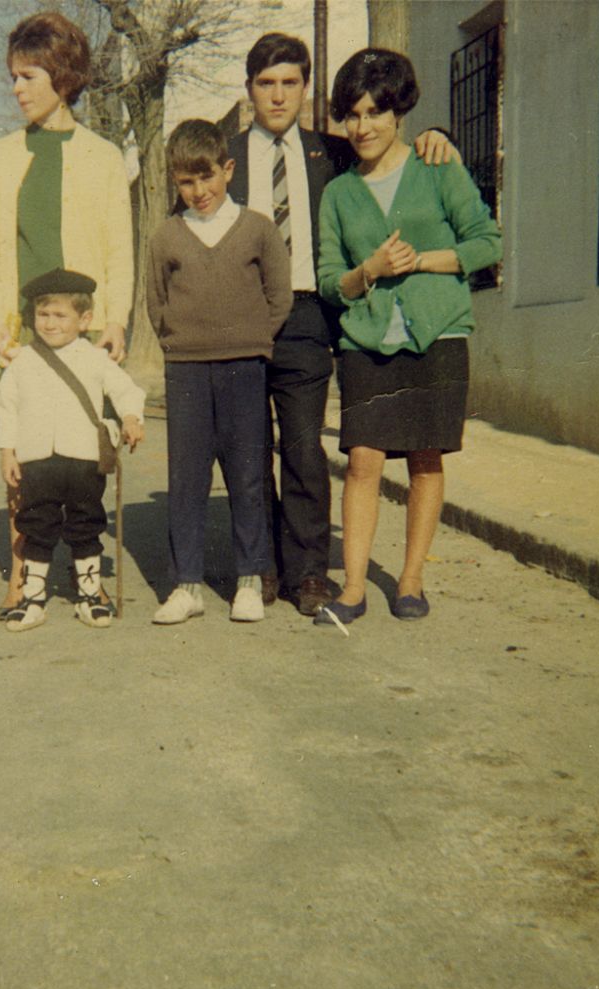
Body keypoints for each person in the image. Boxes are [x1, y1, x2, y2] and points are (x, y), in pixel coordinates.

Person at [227, 33, 457, 616]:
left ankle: (308, 572)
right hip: (240, 314)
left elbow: (393, 151)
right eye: (265, 83)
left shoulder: (332, 151)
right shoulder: (224, 154)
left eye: (290, 83)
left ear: (305, 89)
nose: (277, 96)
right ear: (249, 88)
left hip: (306, 312)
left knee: (304, 447)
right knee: (249, 448)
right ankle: (259, 568)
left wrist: (440, 136)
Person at [316, 48, 502, 626]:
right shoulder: (339, 194)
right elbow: (329, 281)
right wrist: (369, 269)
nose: (362, 126)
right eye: (352, 114)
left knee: (425, 458)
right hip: (367, 343)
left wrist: (421, 261)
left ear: (399, 114)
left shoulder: (436, 166)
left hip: (438, 335)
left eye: (375, 112)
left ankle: (412, 580)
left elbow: (486, 242)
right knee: (364, 459)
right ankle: (351, 589)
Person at [0, 11, 133, 619]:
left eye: (28, 76)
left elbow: (120, 247)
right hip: (21, 330)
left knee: (83, 456)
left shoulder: (102, 156)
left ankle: (85, 573)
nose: (16, 88)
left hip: (84, 330)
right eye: (12, 76)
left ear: (63, 77)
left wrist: (114, 319)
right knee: (26, 456)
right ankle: (25, 572)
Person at [147, 119, 292, 625]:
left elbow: (279, 296)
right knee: (186, 478)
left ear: (227, 170)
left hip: (243, 368)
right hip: (186, 370)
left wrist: (249, 339)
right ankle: (186, 584)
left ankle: (249, 579)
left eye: (206, 177)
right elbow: (156, 302)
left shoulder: (257, 228)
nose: (198, 191)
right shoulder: (167, 235)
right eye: (186, 182)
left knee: (248, 474)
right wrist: (183, 342)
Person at [0, 268, 145, 632]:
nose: (49, 323)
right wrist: (7, 451)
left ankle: (90, 593)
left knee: (85, 524)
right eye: (43, 314)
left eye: (60, 315)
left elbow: (125, 389)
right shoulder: (23, 361)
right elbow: (6, 406)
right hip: (37, 461)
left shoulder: (94, 358)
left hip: (83, 461)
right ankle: (32, 597)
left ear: (85, 319)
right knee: (37, 525)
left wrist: (131, 418)